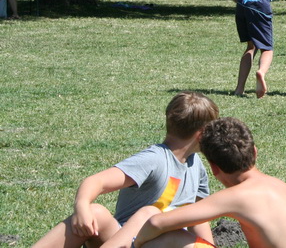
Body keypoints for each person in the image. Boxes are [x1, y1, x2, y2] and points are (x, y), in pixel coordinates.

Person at [32, 92, 220, 248]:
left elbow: (199, 216)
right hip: (123, 240)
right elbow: (96, 181)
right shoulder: (154, 159)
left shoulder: (197, 166)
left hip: (163, 243)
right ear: (202, 134)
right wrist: (81, 207)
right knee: (96, 212)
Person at [133, 117, 286, 248]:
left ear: (214, 168)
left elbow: (156, 223)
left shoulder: (238, 196)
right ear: (255, 152)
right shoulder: (282, 187)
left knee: (173, 239)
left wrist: (137, 244)